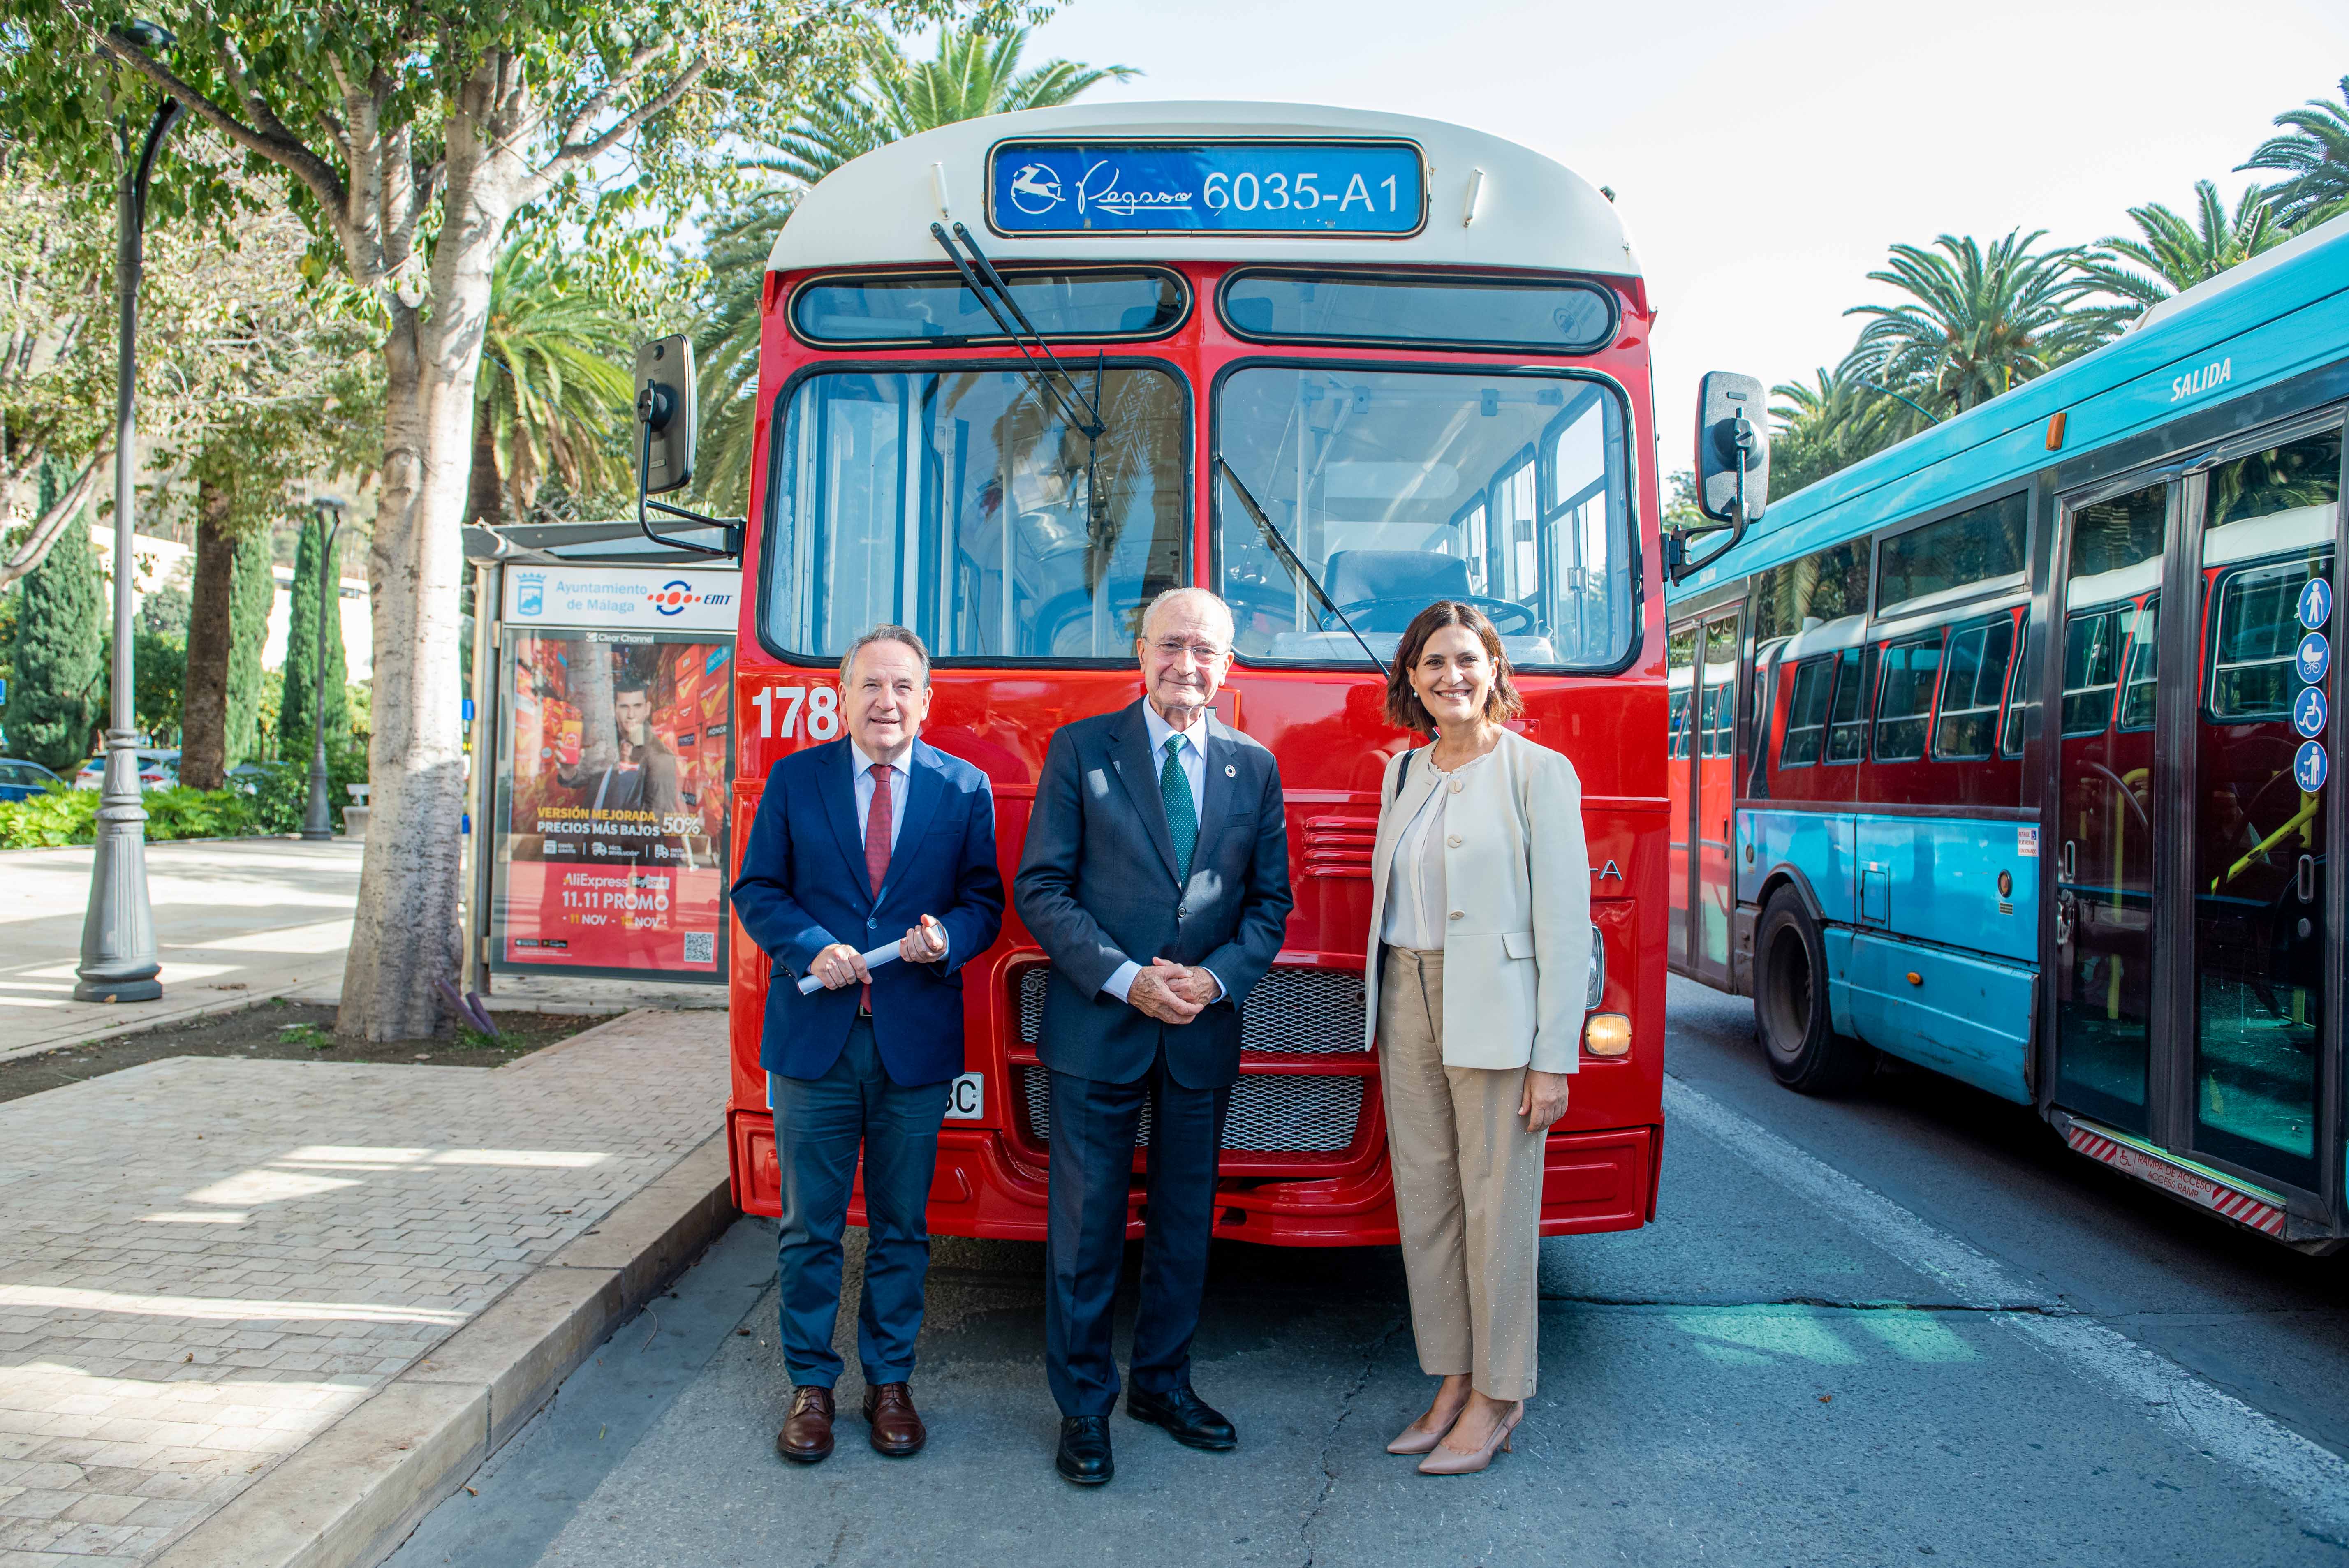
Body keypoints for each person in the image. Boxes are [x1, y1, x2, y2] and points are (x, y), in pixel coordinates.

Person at [1014, 587, 1294, 1486]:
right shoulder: (1079, 750)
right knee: (1086, 1228)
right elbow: (1043, 888)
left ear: (1227, 666)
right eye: (1171, 645)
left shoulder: (1253, 767)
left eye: (1205, 650)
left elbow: (1269, 904)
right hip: (1100, 1025)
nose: (1187, 664)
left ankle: (1162, 1384)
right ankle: (1084, 1406)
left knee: (1182, 1226)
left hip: (1200, 1031)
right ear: (1139, 655)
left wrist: (1213, 979)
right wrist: (1129, 976)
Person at [730, 625, 1006, 1465]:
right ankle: (810, 1386)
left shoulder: (964, 788)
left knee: (901, 1227)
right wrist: (811, 943)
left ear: (927, 701)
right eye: (870, 686)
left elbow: (984, 901)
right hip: (815, 1041)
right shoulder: (793, 779)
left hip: (911, 1045)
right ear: (842, 697)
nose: (887, 702)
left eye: (903, 688)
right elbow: (756, 888)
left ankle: (890, 1381)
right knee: (810, 1226)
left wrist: (945, 937)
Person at [1365, 600, 1591, 1477]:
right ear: (1410, 681)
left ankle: (1501, 1394)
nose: (1450, 677)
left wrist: (1553, 1055)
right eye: (1432, 664)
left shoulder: (1540, 772)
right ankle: (1454, 1378)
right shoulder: (1402, 774)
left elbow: (1563, 923)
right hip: (1406, 995)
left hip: (1496, 1009)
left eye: (1466, 659)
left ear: (1495, 669)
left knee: (1498, 1206)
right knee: (1427, 1203)